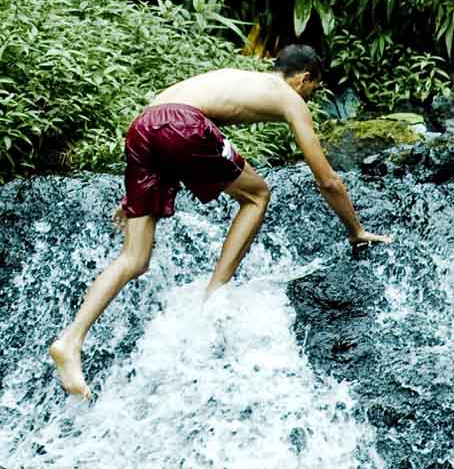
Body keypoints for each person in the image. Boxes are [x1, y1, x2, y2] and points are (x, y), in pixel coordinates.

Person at [47, 44, 392, 400]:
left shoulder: (233, 79)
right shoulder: (291, 100)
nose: (310, 96)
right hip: (181, 124)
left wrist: (133, 196)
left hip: (142, 129)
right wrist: (357, 231)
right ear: (305, 78)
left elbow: (157, 127)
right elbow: (327, 180)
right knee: (257, 195)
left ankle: (70, 341)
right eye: (313, 88)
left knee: (134, 258)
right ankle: (215, 294)